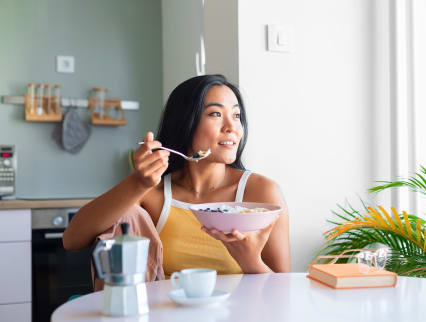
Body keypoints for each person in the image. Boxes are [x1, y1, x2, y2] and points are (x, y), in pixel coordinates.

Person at [63, 74, 290, 275]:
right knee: (128, 212)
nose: (232, 127)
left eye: (237, 115)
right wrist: (138, 182)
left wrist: (250, 261)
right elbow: (72, 240)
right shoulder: (155, 194)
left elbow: (284, 293)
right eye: (215, 114)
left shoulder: (261, 193)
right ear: (186, 122)